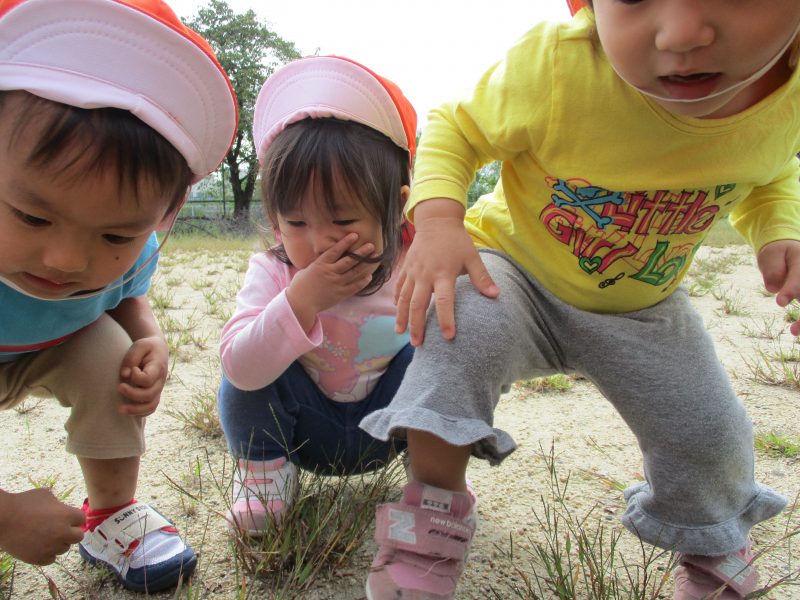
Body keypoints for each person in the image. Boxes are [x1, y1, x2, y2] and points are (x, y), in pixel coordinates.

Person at [359, 0, 800, 598]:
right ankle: (429, 522)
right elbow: (458, 127)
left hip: (644, 306)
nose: (682, 33)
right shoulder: (560, 66)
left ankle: (714, 547)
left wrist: (780, 230)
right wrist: (438, 220)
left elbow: (769, 171)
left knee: (708, 430)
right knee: (457, 330)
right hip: (513, 272)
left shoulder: (787, 96)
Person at [0, 0, 237, 592]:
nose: (67, 261)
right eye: (31, 216)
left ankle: (113, 517)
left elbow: (126, 297)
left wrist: (149, 338)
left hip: (46, 345)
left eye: (115, 234)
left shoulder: (137, 252)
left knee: (112, 355)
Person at [217, 55, 417, 534]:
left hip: (391, 430)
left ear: (396, 209)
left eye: (343, 221)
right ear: (275, 219)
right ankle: (265, 487)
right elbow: (241, 371)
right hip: (304, 434)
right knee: (249, 359)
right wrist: (299, 301)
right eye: (297, 223)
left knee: (444, 352)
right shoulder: (273, 270)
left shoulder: (416, 262)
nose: (319, 241)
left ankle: (435, 478)